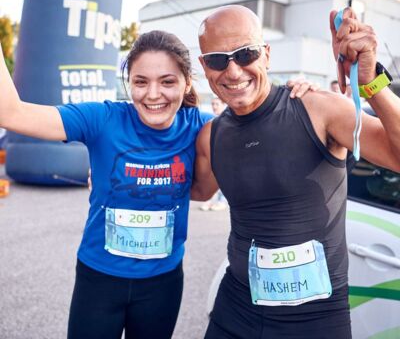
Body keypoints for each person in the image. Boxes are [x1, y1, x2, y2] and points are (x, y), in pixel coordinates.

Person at [0, 29, 314, 339]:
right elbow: (11, 114)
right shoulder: (102, 119)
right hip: (99, 279)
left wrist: (296, 97)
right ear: (129, 83)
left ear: (187, 83)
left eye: (167, 82)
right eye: (140, 82)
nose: (153, 94)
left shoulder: (203, 127)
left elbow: (265, 124)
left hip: (161, 285)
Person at [191, 5, 400, 339]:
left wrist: (371, 82)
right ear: (204, 66)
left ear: (266, 55)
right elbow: (197, 190)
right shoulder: (211, 135)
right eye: (218, 60)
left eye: (246, 54)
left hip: (316, 320)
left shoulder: (319, 108)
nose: (233, 71)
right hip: (236, 309)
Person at [200, 96, 228, 211]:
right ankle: (210, 201)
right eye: (213, 104)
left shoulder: (228, 119)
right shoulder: (210, 120)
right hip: (212, 154)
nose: (214, 106)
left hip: (225, 154)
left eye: (217, 104)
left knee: (223, 179)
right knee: (211, 178)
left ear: (223, 105)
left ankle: (222, 201)